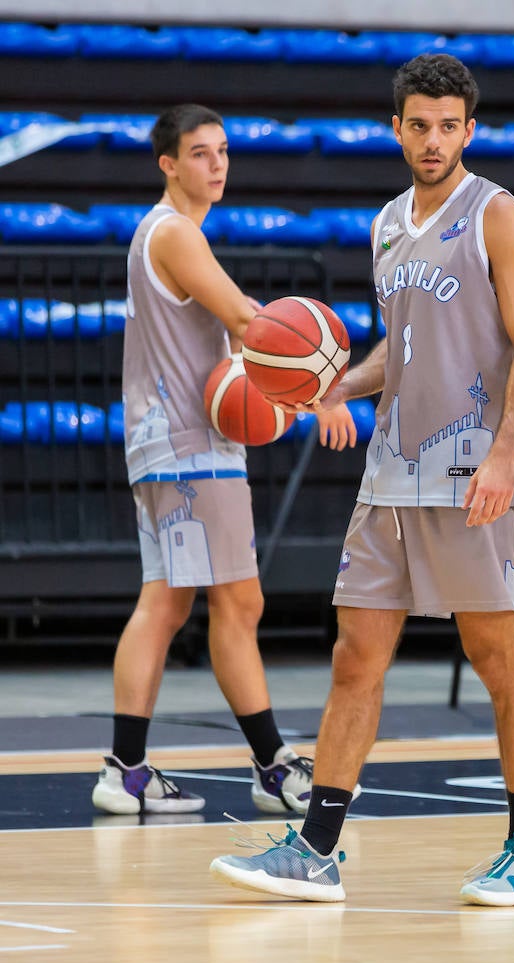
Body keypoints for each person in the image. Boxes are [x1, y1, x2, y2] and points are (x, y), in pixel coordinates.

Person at [209, 55, 514, 905]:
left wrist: (507, 455)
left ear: (468, 130)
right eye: (418, 124)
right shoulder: (388, 224)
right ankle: (318, 847)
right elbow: (395, 358)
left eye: (448, 126)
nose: (432, 139)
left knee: (495, 655)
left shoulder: (497, 216)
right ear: (396, 127)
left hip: (472, 468)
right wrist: (327, 385)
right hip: (389, 473)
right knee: (355, 656)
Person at [95, 104, 357, 817]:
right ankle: (273, 767)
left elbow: (241, 316)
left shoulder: (171, 235)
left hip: (166, 447)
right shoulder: (175, 233)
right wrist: (322, 392)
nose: (217, 164)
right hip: (190, 450)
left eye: (224, 151)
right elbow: (251, 323)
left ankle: (126, 770)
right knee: (238, 603)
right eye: (201, 153)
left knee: (168, 602)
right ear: (168, 165)